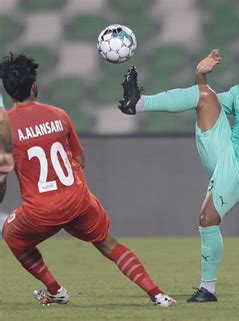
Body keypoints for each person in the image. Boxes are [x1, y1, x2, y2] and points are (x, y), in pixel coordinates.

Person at [118, 38, 239, 302]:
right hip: (225, 150)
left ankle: (208, 290)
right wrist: (200, 75)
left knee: (207, 219)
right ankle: (138, 103)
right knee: (204, 94)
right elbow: (204, 102)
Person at [0, 53, 176, 307]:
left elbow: (3, 178)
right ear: (34, 86)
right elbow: (80, 161)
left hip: (41, 211)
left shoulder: (7, 128)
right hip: (78, 200)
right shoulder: (59, 115)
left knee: (12, 236)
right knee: (109, 245)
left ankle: (55, 289)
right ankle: (158, 295)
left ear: (8, 90)